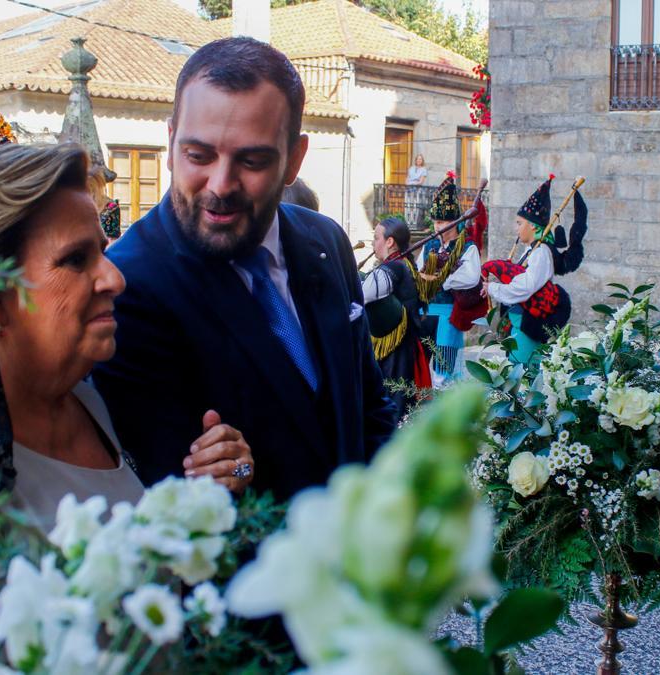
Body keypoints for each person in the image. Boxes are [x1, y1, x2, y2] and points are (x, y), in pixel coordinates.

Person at [0, 64, 253, 532]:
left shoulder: (88, 400)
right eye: (74, 260)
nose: (115, 279)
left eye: (102, 251)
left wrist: (204, 496)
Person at [94, 37, 396, 501]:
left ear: (294, 159)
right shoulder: (129, 287)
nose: (221, 185)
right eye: (198, 156)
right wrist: (227, 477)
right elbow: (168, 487)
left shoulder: (327, 241)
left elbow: (368, 407)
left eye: (252, 161)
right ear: (171, 140)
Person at [483, 175, 589, 364]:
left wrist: (493, 289)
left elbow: (525, 287)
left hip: (527, 324)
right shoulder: (530, 251)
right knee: (515, 370)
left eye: (519, 223)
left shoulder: (541, 254)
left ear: (532, 225)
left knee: (522, 373)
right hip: (518, 322)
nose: (516, 228)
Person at [416, 171, 483, 385]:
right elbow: (419, 273)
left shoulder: (467, 246)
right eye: (435, 221)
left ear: (455, 222)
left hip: (448, 313)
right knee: (420, 364)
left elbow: (471, 277)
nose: (437, 227)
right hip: (425, 312)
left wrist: (440, 279)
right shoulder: (429, 244)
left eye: (443, 222)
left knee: (444, 368)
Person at [363, 216, 429, 420]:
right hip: (402, 347)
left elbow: (361, 294)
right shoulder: (404, 264)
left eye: (376, 238)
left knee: (395, 403)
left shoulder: (395, 267)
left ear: (389, 242)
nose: (373, 243)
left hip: (397, 352)